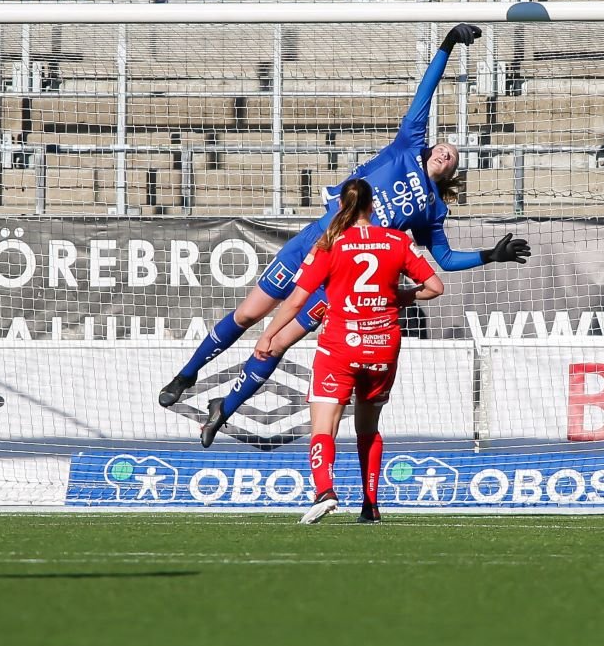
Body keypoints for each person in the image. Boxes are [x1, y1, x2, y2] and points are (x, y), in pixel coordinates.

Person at [157, 23, 530, 447]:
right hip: (313, 242)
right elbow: (424, 96)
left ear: (451, 173)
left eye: (454, 158)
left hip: (339, 274)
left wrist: (488, 255)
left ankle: (224, 409)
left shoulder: (432, 208)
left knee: (278, 342)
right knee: (247, 315)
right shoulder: (406, 146)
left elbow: (441, 261)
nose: (448, 151)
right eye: (445, 146)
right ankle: (187, 374)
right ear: (430, 149)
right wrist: (445, 45)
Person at [254, 178, 444, 524]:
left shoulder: (330, 243)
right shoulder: (397, 240)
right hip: (383, 346)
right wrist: (396, 298)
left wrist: (268, 335)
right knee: (368, 428)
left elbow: (297, 300)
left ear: (342, 206)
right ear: (373, 206)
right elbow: (435, 287)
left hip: (340, 346)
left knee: (323, 427)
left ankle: (325, 490)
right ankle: (370, 506)